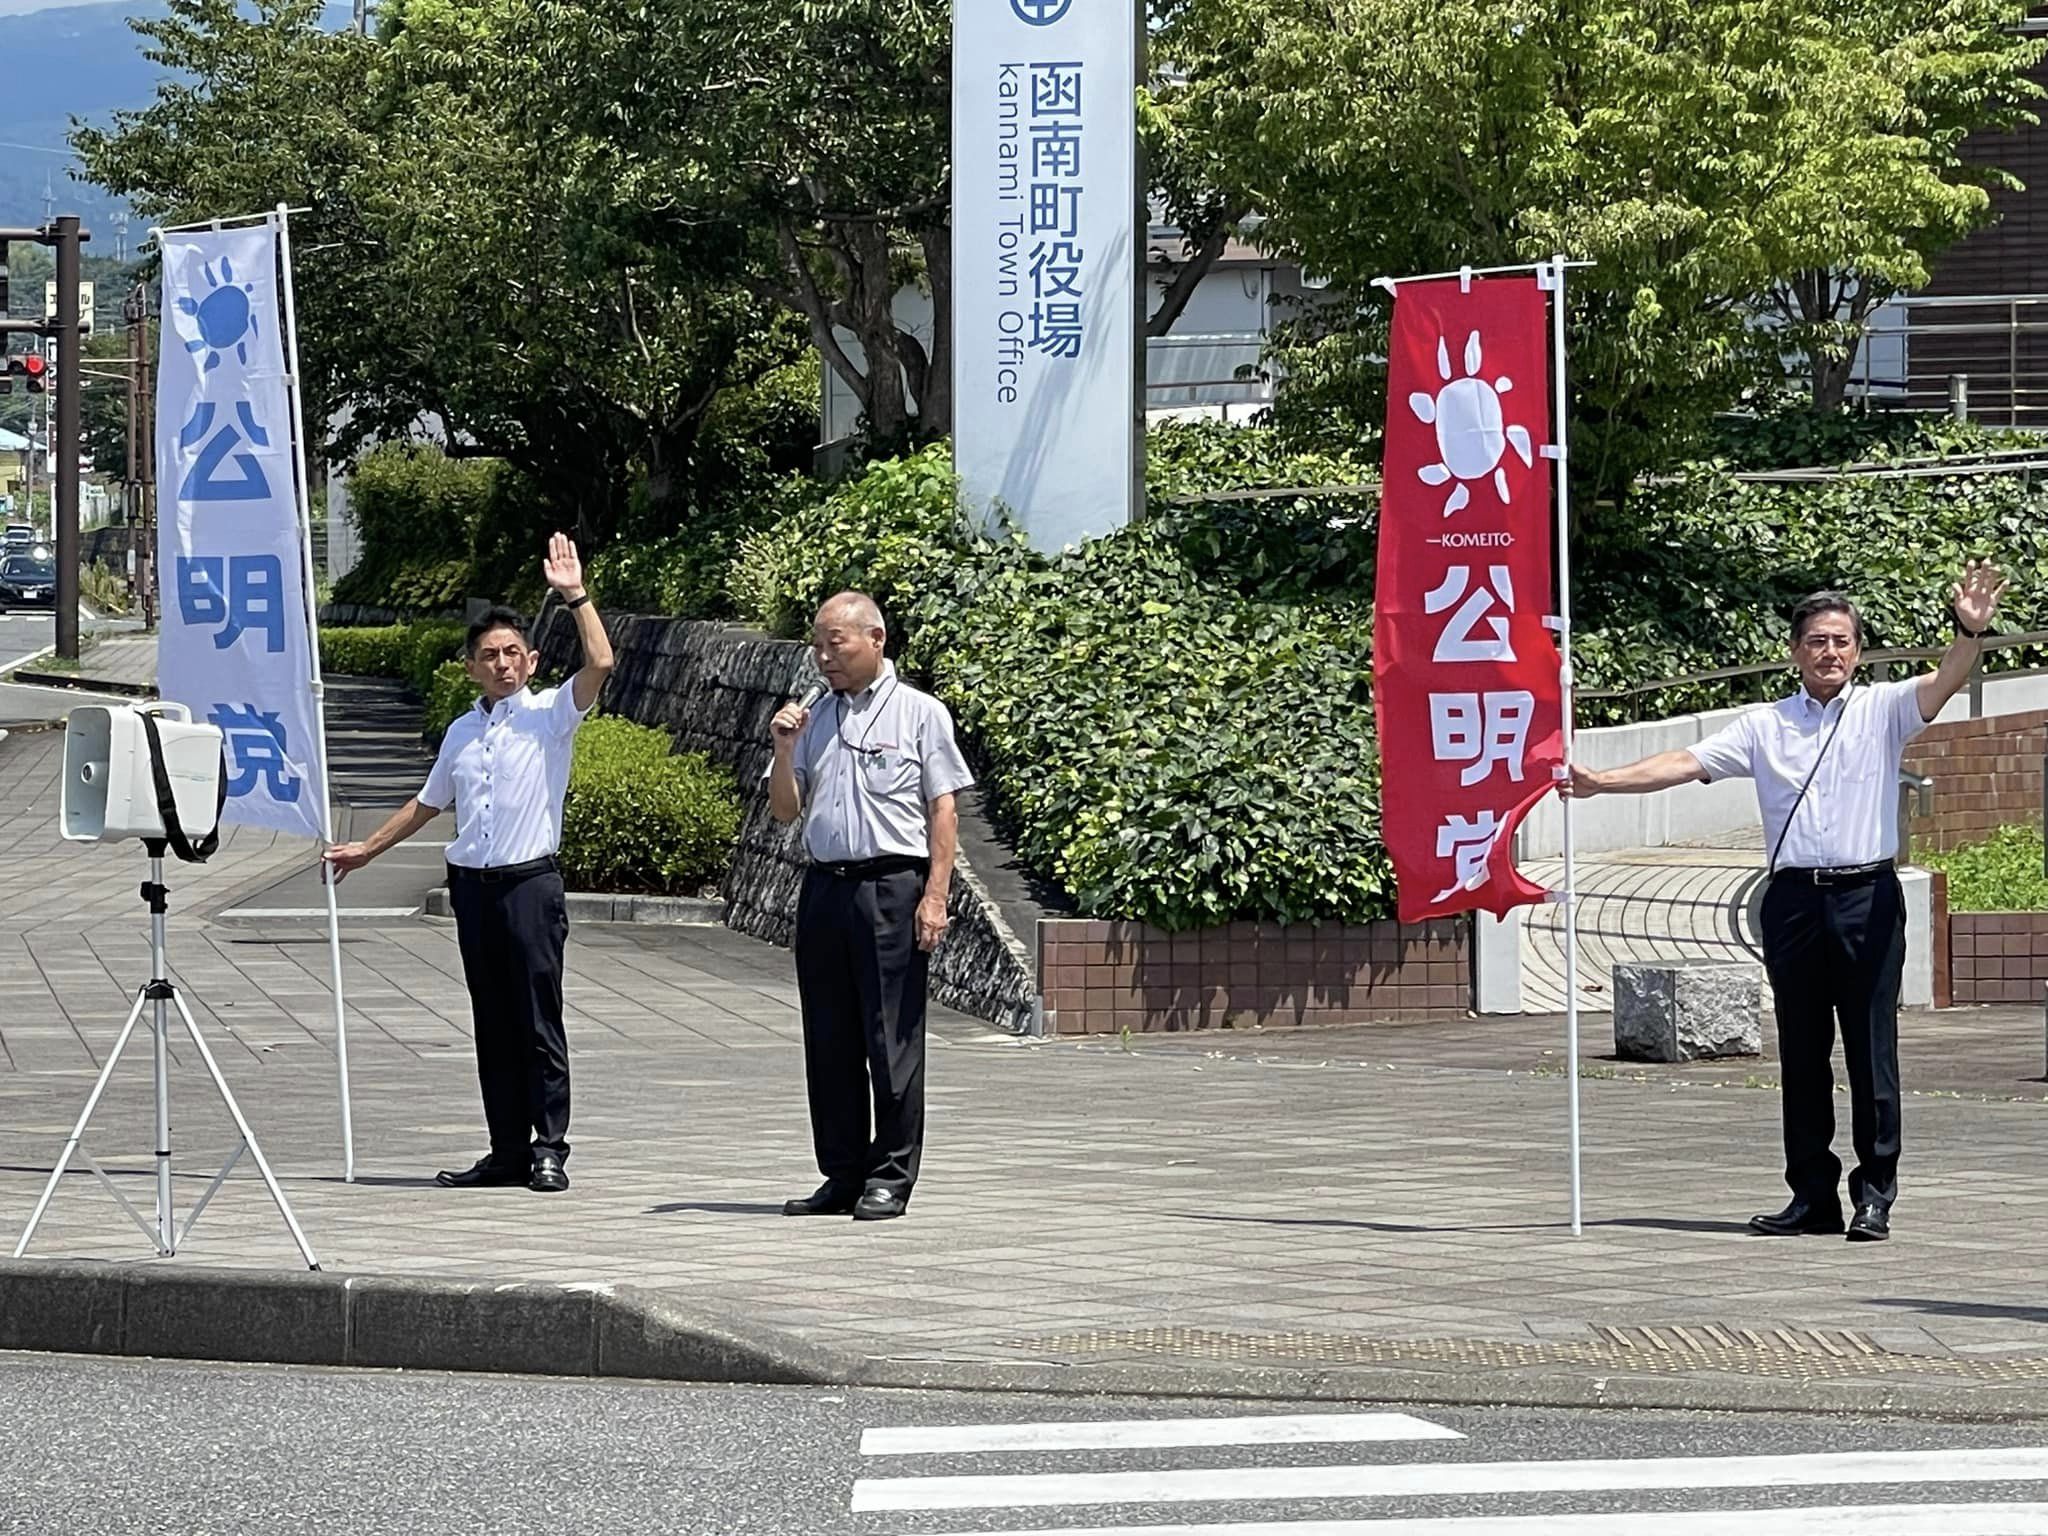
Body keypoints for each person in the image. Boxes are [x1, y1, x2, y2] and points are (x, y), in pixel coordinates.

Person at [1567, 561, 2006, 1242]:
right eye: (1816, 641)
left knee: (1870, 1046)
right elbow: (1686, 762)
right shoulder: (1764, 726)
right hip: (1794, 902)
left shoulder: (1882, 709)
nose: (1829, 652)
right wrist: (1602, 782)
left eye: (1841, 641)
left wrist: (1969, 631)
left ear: (1857, 650)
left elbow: (1947, 679)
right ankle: (1812, 1196)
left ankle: (1874, 1194)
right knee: (1802, 1051)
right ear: (1795, 651)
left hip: (1867, 895)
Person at [325, 534, 614, 1194]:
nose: (504, 664)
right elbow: (427, 804)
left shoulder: (550, 715)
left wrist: (575, 594)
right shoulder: (461, 730)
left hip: (529, 885)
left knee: (538, 1018)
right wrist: (365, 849)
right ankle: (506, 1148)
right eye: (490, 656)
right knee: (492, 1020)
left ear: (532, 660)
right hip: (474, 891)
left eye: (514, 653)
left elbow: (601, 659)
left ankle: (548, 1147)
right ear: (471, 668)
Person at [767, 592, 974, 1221]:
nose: (824, 655)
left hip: (893, 886)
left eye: (837, 641)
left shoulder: (919, 713)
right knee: (828, 1038)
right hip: (825, 886)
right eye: (818, 643)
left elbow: (943, 809)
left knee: (892, 1037)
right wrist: (781, 749)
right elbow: (785, 809)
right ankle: (842, 1171)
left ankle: (890, 1175)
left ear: (876, 638)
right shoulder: (813, 717)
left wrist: (935, 895)